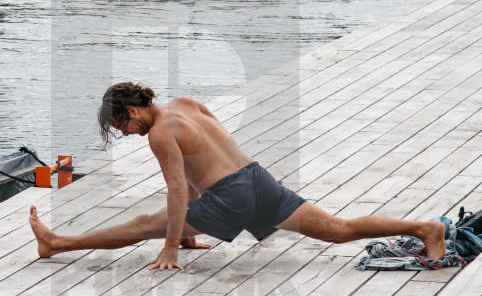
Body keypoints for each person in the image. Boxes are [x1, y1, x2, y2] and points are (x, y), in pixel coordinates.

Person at [28, 83, 447, 270]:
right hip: (256, 179)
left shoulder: (158, 133)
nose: (124, 133)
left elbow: (177, 189)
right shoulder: (187, 104)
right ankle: (425, 228)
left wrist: (172, 244)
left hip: (231, 196)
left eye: (121, 125)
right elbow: (204, 158)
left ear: (131, 111)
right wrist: (192, 226)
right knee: (338, 228)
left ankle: (57, 243)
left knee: (144, 226)